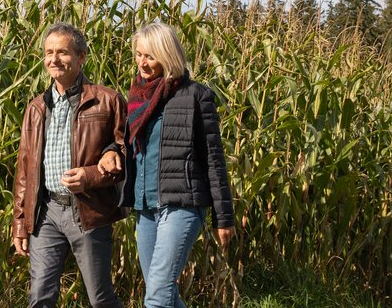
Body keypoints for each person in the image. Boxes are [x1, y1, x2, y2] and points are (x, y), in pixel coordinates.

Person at [100, 22, 236, 308]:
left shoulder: (196, 95)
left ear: (167, 54)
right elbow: (127, 143)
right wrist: (112, 151)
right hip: (145, 206)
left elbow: (214, 158)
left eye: (150, 56)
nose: (142, 63)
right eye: (138, 55)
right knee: (163, 293)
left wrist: (224, 218)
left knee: (157, 297)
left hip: (182, 205)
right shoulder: (136, 98)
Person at [12, 22, 128, 308]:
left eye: (62, 52)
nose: (54, 59)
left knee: (100, 299)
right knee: (40, 296)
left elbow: (127, 154)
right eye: (49, 52)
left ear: (81, 57)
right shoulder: (36, 107)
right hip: (46, 213)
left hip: (88, 210)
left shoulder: (108, 100)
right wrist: (19, 223)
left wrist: (90, 175)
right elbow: (25, 170)